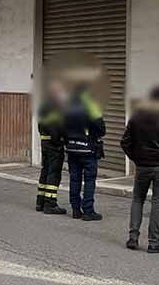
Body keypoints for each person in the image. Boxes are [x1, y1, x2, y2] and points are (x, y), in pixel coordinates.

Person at [121, 86, 159, 253]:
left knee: (137, 199)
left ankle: (133, 237)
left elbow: (125, 142)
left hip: (143, 166)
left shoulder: (137, 117)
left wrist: (138, 159)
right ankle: (153, 242)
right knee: (158, 203)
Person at [64, 84, 106, 221]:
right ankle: (88, 211)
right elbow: (101, 129)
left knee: (74, 179)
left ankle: (76, 209)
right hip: (87, 149)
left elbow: (62, 127)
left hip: (71, 149)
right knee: (89, 180)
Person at [36, 80, 67, 215]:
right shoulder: (55, 106)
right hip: (54, 144)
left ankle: (40, 202)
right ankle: (50, 204)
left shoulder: (43, 105)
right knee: (54, 173)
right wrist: (59, 140)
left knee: (45, 171)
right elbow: (55, 127)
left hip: (45, 142)